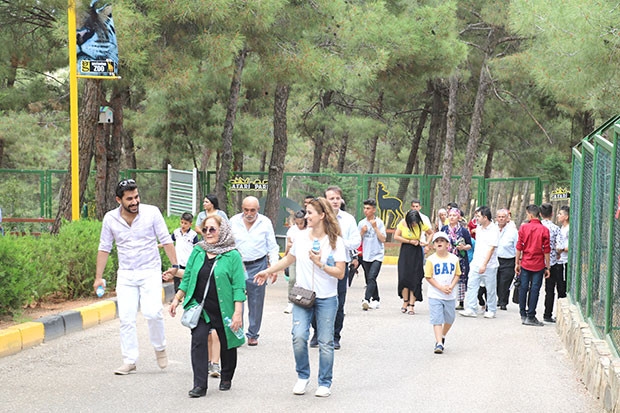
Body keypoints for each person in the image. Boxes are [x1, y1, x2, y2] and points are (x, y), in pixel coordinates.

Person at [254, 197, 346, 398]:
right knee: (299, 336)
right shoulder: (301, 237)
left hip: (327, 298)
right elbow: (289, 258)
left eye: (311, 212)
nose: (307, 216)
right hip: (302, 296)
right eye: (306, 211)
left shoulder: (335, 241)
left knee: (325, 341)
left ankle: (324, 382)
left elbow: (340, 273)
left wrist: (320, 263)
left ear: (322, 215)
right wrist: (268, 271)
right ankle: (303, 376)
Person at [95, 179, 179, 375]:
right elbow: (104, 248)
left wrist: (174, 266)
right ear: (119, 200)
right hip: (126, 274)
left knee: (153, 312)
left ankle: (160, 348)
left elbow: (166, 240)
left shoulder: (152, 212)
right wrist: (98, 277)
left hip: (150, 271)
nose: (134, 202)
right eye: (129, 199)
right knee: (126, 318)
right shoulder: (110, 219)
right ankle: (129, 360)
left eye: (136, 197)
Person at [168, 215, 246, 397]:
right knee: (198, 341)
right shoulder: (198, 251)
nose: (208, 233)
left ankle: (226, 376)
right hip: (200, 308)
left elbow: (238, 286)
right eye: (205, 230)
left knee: (227, 344)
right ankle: (200, 385)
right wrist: (176, 298)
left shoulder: (232, 255)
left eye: (213, 229)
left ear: (223, 230)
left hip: (223, 308)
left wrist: (238, 312)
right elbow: (187, 278)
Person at [310, 186, 359, 350]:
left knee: (338, 301)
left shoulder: (349, 219)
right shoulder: (318, 218)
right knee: (315, 299)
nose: (336, 201)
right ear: (325, 201)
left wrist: (338, 242)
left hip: (339, 266)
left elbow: (356, 241)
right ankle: (317, 333)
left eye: (338, 198)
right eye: (332, 198)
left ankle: (335, 335)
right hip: (318, 265)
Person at [229, 196, 280, 346]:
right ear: (242, 209)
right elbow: (227, 243)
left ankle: (253, 333)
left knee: (256, 301)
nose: (249, 213)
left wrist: (273, 267)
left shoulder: (265, 222)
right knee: (236, 299)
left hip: (259, 265)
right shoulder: (233, 221)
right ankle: (237, 332)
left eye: (252, 210)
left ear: (258, 209)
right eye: (246, 210)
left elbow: (272, 246)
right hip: (237, 266)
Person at [424, 231, 461, 354]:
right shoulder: (431, 260)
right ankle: (439, 343)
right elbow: (428, 276)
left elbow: (457, 274)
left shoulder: (454, 259)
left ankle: (443, 335)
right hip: (435, 294)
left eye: (442, 241)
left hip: (450, 294)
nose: (439, 243)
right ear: (434, 245)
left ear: (447, 244)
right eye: (437, 241)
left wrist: (451, 286)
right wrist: (440, 287)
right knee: (437, 318)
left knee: (450, 318)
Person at [459, 206, 499, 319]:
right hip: (476, 262)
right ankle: (471, 308)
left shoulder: (494, 230)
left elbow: (491, 248)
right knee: (472, 285)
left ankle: (491, 309)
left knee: (490, 288)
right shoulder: (479, 229)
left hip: (489, 265)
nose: (476, 219)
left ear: (485, 217)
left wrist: (484, 264)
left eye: (478, 216)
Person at [515, 204, 551, 327]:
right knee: (535, 289)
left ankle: (522, 314)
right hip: (539, 264)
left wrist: (517, 262)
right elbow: (546, 250)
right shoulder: (544, 230)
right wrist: (547, 266)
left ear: (530, 214)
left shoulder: (524, 228)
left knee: (523, 287)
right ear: (539, 214)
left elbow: (519, 246)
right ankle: (531, 315)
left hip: (525, 262)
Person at [394, 210, 433, 315]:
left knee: (415, 278)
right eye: (412, 223)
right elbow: (396, 236)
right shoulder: (402, 223)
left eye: (415, 223)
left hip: (417, 251)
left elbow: (430, 233)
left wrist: (427, 243)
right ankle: (405, 302)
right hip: (405, 251)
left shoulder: (421, 224)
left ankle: (412, 305)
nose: (413, 224)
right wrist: (409, 241)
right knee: (403, 277)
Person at [357, 199, 386, 310]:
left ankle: (366, 299)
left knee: (372, 276)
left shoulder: (379, 222)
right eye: (364, 208)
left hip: (377, 255)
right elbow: (356, 240)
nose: (366, 210)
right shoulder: (361, 223)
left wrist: (375, 228)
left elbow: (383, 239)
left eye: (368, 208)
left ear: (374, 210)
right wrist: (362, 232)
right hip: (366, 255)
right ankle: (376, 299)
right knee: (369, 279)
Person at [440, 208, 472, 310]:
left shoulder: (464, 230)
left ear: (458, 217)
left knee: (460, 278)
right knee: (446, 277)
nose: (452, 217)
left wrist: (463, 247)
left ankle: (461, 301)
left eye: (454, 215)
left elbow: (469, 245)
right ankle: (445, 299)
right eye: (450, 215)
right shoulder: (444, 229)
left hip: (460, 258)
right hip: (446, 257)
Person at [166, 212, 199, 292]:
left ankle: (186, 295)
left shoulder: (193, 235)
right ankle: (176, 296)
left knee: (187, 279)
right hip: (177, 260)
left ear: (190, 224)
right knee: (176, 279)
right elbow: (169, 242)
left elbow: (196, 248)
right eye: (182, 222)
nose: (183, 225)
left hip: (188, 261)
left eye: (185, 223)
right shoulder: (176, 232)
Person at [540, 203, 562, 323]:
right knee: (550, 289)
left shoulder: (537, 227)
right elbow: (559, 246)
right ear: (552, 214)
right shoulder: (555, 228)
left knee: (533, 286)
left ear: (540, 214)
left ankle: (528, 311)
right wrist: (557, 253)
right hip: (552, 262)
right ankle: (547, 314)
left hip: (537, 260)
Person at [283, 210, 307, 314]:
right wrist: (285, 255)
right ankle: (290, 302)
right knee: (292, 279)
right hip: (294, 257)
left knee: (303, 280)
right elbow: (288, 244)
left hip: (306, 258)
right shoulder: (292, 230)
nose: (299, 226)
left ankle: (303, 300)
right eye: (297, 223)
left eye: (301, 223)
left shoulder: (309, 230)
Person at [495, 208, 518, 310]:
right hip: (495, 259)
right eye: (499, 217)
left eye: (503, 217)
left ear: (507, 218)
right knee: (496, 281)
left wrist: (518, 261)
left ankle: (503, 301)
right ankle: (498, 298)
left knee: (505, 282)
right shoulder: (493, 229)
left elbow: (517, 247)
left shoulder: (513, 231)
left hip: (508, 260)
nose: (501, 219)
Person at [555, 205, 570, 304]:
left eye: (560, 214)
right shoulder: (561, 228)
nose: (558, 216)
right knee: (559, 286)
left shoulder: (569, 229)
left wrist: (560, 250)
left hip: (565, 261)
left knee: (563, 286)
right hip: (559, 261)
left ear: (566, 217)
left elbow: (570, 247)